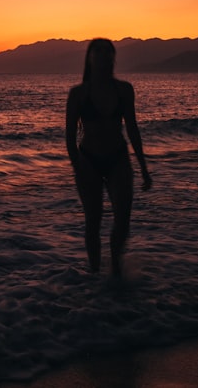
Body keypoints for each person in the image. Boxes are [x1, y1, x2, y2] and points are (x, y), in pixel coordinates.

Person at [66, 38, 152, 277]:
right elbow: (69, 134)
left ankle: (115, 266)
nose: (103, 55)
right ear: (89, 58)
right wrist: (77, 166)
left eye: (108, 51)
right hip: (88, 161)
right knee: (93, 222)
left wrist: (144, 167)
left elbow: (133, 129)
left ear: (113, 57)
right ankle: (94, 274)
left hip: (118, 159)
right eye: (98, 51)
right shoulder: (78, 94)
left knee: (123, 220)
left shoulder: (124, 90)